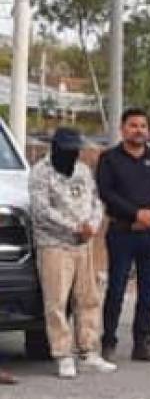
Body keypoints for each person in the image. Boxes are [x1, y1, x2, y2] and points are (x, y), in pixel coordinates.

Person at [29, 127, 117, 379]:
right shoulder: (40, 173)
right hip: (55, 245)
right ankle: (63, 355)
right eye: (68, 150)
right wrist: (74, 227)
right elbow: (41, 211)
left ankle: (88, 351)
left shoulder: (82, 170)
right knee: (56, 302)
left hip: (84, 244)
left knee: (88, 297)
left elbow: (95, 201)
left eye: (76, 149)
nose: (73, 154)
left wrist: (93, 224)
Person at [97, 108, 150, 363]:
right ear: (123, 129)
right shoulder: (109, 159)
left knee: (148, 290)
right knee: (117, 288)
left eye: (143, 125)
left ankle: (142, 343)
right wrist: (135, 214)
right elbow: (106, 192)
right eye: (133, 125)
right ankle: (108, 342)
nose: (138, 130)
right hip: (122, 232)